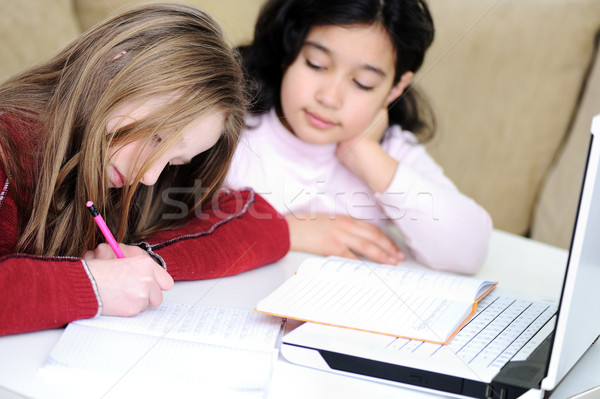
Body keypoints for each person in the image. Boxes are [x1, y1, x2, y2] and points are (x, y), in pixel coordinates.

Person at [0, 4, 289, 336]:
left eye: (174, 162)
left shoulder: (119, 178)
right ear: (112, 67)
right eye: (156, 137)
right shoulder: (7, 152)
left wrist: (144, 261)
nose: (150, 176)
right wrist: (91, 284)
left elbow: (261, 222)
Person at [225, 0, 491, 273]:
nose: (329, 97)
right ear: (287, 51)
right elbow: (182, 226)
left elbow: (468, 251)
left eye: (363, 83)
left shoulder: (388, 149)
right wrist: (286, 230)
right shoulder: (229, 129)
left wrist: (364, 152)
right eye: (316, 65)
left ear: (395, 88)